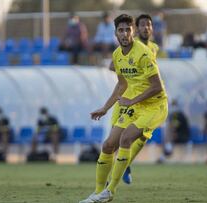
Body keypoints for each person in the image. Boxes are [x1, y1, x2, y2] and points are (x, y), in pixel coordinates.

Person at [80, 14, 168, 203]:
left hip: (155, 106)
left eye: (128, 30)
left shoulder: (144, 53)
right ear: (115, 34)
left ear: (132, 32)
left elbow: (157, 87)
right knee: (108, 145)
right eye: (121, 30)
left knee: (127, 138)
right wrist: (105, 108)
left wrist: (132, 100)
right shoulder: (117, 55)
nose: (125, 33)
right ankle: (98, 193)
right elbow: (122, 86)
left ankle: (110, 190)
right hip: (135, 103)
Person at [107, 14, 160, 185]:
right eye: (143, 25)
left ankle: (125, 165)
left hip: (144, 100)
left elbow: (154, 78)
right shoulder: (128, 46)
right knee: (113, 141)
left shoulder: (153, 48)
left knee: (143, 136)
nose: (146, 28)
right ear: (137, 29)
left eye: (149, 25)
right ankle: (111, 178)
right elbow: (112, 66)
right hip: (125, 98)